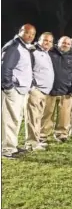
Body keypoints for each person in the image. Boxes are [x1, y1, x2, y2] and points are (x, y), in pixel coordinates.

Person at [1, 24, 36, 158]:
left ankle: (12, 145)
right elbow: (5, 69)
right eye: (28, 33)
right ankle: (6, 150)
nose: (30, 36)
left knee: (16, 119)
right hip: (13, 90)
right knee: (9, 120)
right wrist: (8, 87)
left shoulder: (23, 47)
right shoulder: (13, 46)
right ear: (21, 31)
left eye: (33, 34)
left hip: (20, 90)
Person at [41, 36, 72, 142]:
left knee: (64, 116)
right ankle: (43, 135)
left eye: (68, 44)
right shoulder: (49, 53)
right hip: (49, 91)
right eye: (63, 43)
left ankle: (61, 134)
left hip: (66, 92)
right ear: (58, 43)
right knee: (46, 115)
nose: (66, 45)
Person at [25, 32, 55, 150]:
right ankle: (31, 143)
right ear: (39, 40)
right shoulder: (33, 51)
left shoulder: (46, 53)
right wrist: (32, 86)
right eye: (45, 40)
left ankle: (36, 140)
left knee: (38, 117)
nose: (47, 43)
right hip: (35, 91)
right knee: (32, 118)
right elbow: (27, 69)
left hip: (44, 91)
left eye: (50, 41)